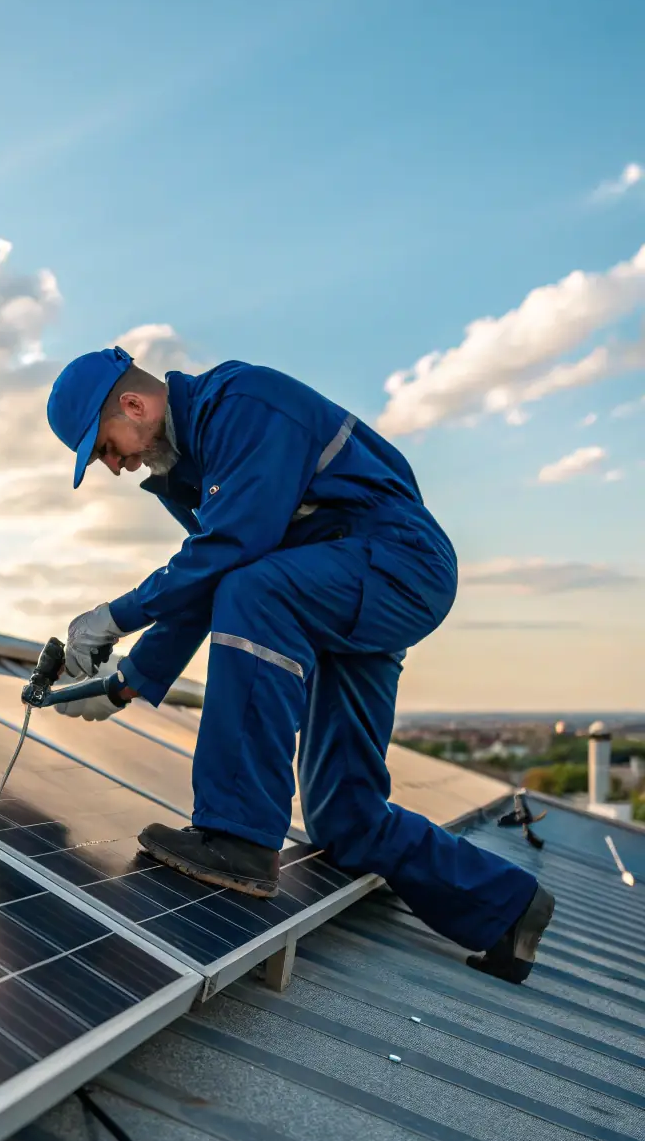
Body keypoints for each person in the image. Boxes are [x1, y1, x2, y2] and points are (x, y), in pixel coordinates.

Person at [45, 346, 554, 983]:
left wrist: (114, 617)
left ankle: (237, 835)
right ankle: (506, 905)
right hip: (341, 593)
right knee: (345, 819)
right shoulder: (187, 472)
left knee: (255, 589)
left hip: (398, 567)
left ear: (133, 403)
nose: (114, 466)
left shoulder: (243, 405)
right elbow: (206, 577)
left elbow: (235, 551)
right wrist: (123, 684)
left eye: (105, 448)